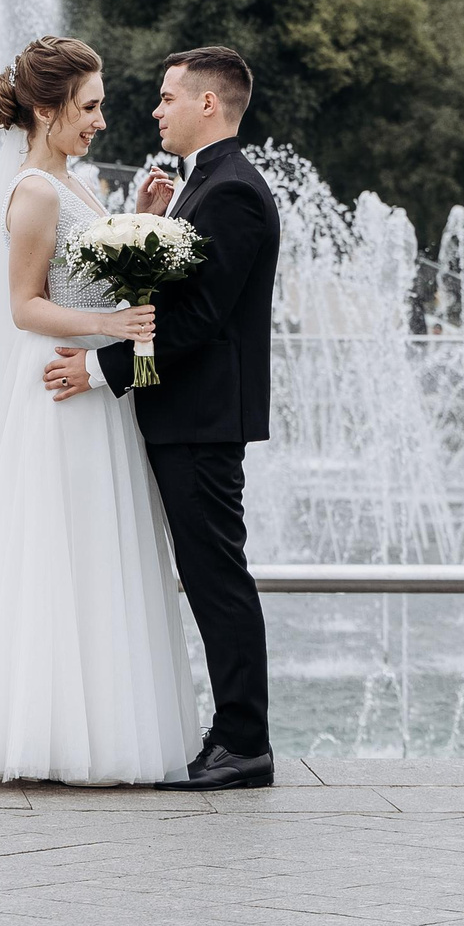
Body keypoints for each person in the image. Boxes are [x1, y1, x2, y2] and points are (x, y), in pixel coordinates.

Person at [0, 36, 198, 786]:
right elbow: (23, 305)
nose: (102, 118)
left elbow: (92, 275)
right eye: (89, 105)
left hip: (91, 392)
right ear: (46, 109)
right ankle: (49, 736)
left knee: (98, 556)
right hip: (56, 394)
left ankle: (102, 732)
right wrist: (113, 329)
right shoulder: (35, 190)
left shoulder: (72, 184)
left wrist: (137, 220)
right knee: (56, 557)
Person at [42, 45, 277, 791]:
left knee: (216, 578)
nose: (155, 109)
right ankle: (231, 733)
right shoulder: (200, 185)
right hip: (184, 417)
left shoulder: (231, 190)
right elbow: (174, 296)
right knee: (205, 575)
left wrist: (99, 367)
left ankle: (244, 741)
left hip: (203, 421)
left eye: (169, 96)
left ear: (209, 103)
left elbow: (199, 320)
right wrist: (149, 221)